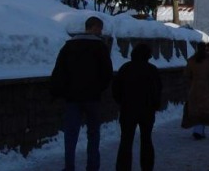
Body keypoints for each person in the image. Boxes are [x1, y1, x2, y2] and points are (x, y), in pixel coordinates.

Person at [49, 15, 113, 171]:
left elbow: (59, 72)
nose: (100, 32)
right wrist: (99, 88)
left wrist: (60, 92)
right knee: (93, 133)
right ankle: (92, 166)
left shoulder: (68, 46)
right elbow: (107, 73)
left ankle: (69, 166)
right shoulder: (100, 47)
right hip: (92, 97)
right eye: (99, 28)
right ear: (94, 27)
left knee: (70, 134)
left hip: (72, 97)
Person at [112, 42, 162, 171]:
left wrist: (122, 102)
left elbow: (116, 89)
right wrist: (155, 105)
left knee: (126, 141)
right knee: (146, 139)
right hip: (147, 110)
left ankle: (123, 168)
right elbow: (158, 90)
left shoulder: (125, 68)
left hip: (128, 109)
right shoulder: (152, 70)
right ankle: (147, 167)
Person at [181, 42, 209, 139]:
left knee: (196, 108)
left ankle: (198, 129)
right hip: (207, 87)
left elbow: (186, 75)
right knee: (205, 108)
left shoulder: (192, 60)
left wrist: (190, 84)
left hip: (195, 87)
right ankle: (200, 130)